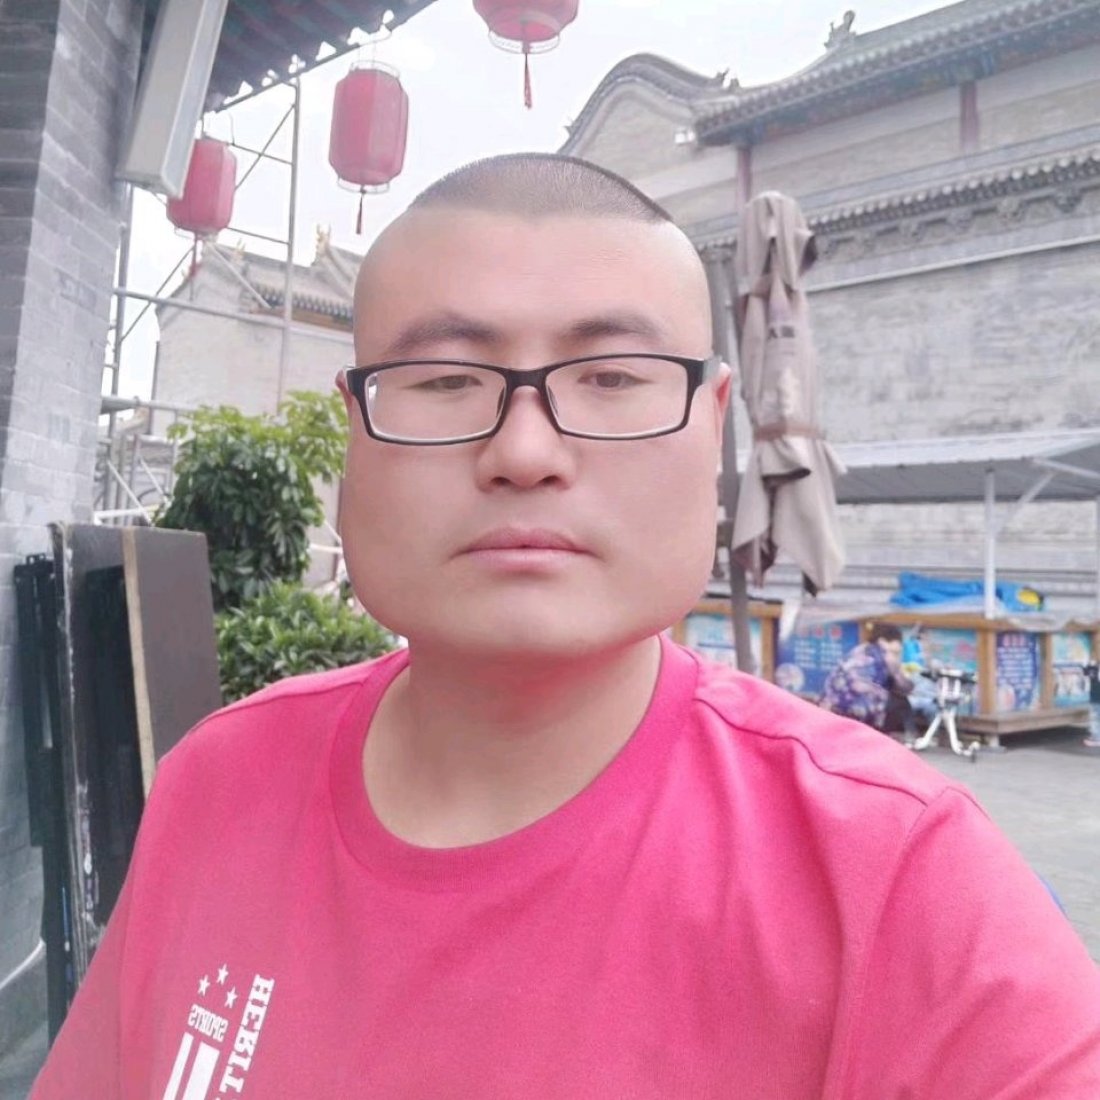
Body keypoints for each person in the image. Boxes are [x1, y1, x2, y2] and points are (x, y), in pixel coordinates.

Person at [32, 154, 1100, 1098]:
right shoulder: (218, 783)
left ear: (712, 425)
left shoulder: (897, 879)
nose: (525, 451)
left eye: (613, 378)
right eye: (446, 380)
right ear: (353, 428)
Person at [818, 622, 919, 736]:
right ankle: (909, 737)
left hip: (830, 705)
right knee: (901, 703)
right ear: (883, 641)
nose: (900, 649)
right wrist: (907, 680)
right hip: (855, 707)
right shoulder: (884, 654)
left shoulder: (861, 650)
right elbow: (903, 685)